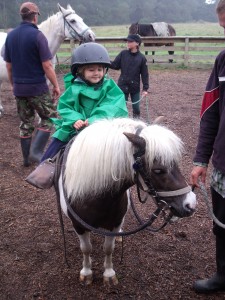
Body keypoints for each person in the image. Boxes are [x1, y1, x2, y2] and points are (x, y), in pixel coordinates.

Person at [26, 42, 128, 189]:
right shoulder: (74, 88)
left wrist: (94, 120)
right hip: (76, 127)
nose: (96, 73)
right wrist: (75, 120)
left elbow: (113, 106)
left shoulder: (110, 87)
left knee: (126, 146)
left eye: (100, 69)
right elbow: (65, 107)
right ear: (80, 71)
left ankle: (130, 173)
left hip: (104, 125)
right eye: (91, 70)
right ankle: (46, 167)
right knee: (58, 141)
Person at [190, 0, 225, 293]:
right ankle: (223, 275)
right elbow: (210, 112)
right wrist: (201, 159)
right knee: (222, 224)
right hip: (224, 164)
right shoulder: (222, 61)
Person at [3, 2, 60, 167]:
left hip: (19, 89)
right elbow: (47, 65)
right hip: (37, 88)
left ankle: (26, 159)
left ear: (22, 16)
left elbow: (8, 65)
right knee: (50, 118)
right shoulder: (38, 36)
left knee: (25, 122)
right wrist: (56, 85)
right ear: (35, 17)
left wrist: (14, 85)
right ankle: (36, 152)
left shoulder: (11, 36)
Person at [110, 34, 149, 119]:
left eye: (130, 41)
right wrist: (105, 61)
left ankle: (136, 125)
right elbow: (115, 65)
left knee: (136, 109)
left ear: (137, 43)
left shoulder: (142, 58)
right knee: (122, 109)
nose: (128, 43)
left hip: (135, 87)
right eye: (127, 41)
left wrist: (145, 89)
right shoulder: (123, 54)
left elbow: (144, 74)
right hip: (122, 85)